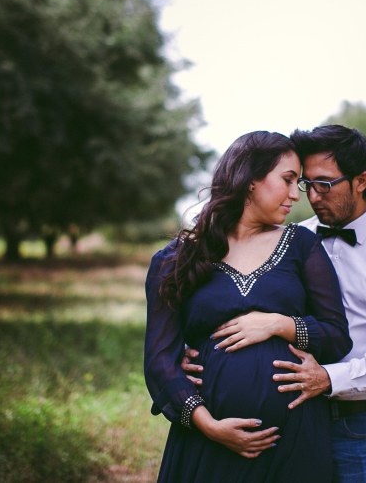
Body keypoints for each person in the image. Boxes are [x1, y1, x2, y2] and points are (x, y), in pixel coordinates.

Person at [185, 125, 366, 483]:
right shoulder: (290, 238)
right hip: (288, 416)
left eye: (324, 184)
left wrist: (328, 378)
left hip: (354, 420)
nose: (312, 196)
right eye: (305, 183)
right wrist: (189, 351)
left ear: (361, 181)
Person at [144, 131, 353, 482]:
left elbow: (337, 336)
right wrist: (208, 426)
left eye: (297, 184)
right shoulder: (177, 258)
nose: (294, 195)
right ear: (250, 179)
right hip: (206, 444)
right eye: (287, 180)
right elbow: (159, 361)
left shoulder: (301, 245)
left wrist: (279, 324)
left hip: (294, 443)